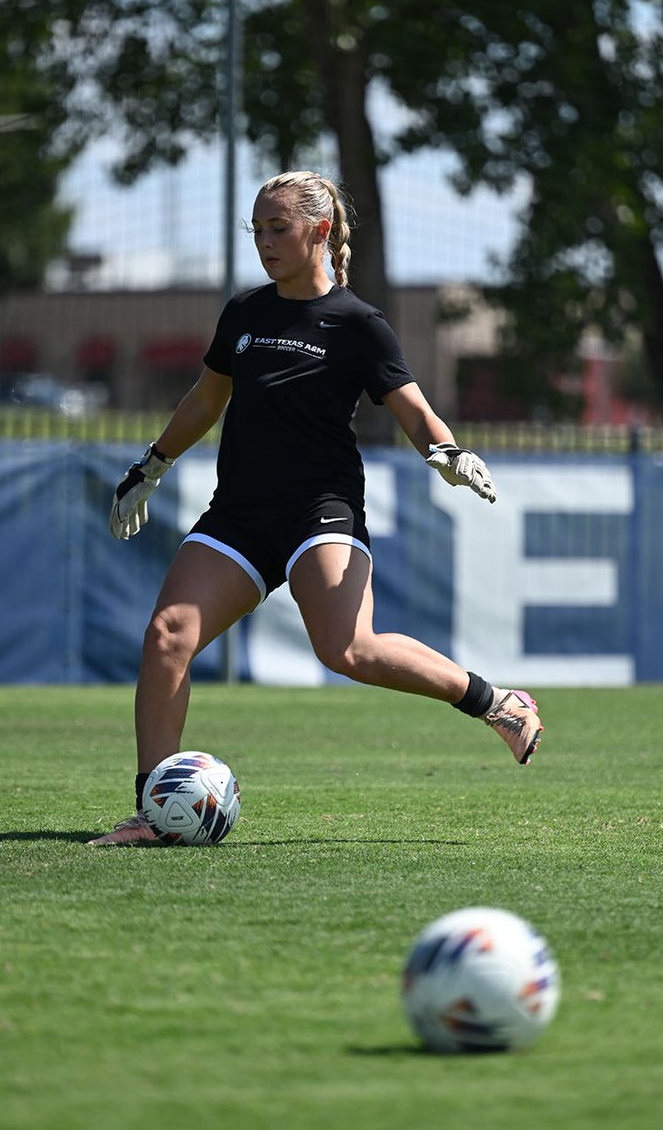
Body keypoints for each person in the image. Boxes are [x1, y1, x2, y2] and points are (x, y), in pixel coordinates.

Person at [89, 170, 542, 846]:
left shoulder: (358, 324)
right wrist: (152, 464)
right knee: (166, 638)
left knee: (348, 649)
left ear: (320, 231)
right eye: (258, 230)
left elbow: (412, 408)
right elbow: (207, 400)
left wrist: (446, 452)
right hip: (239, 517)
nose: (266, 242)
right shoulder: (245, 312)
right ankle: (155, 811)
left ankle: (497, 703)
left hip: (319, 514)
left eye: (279, 228)